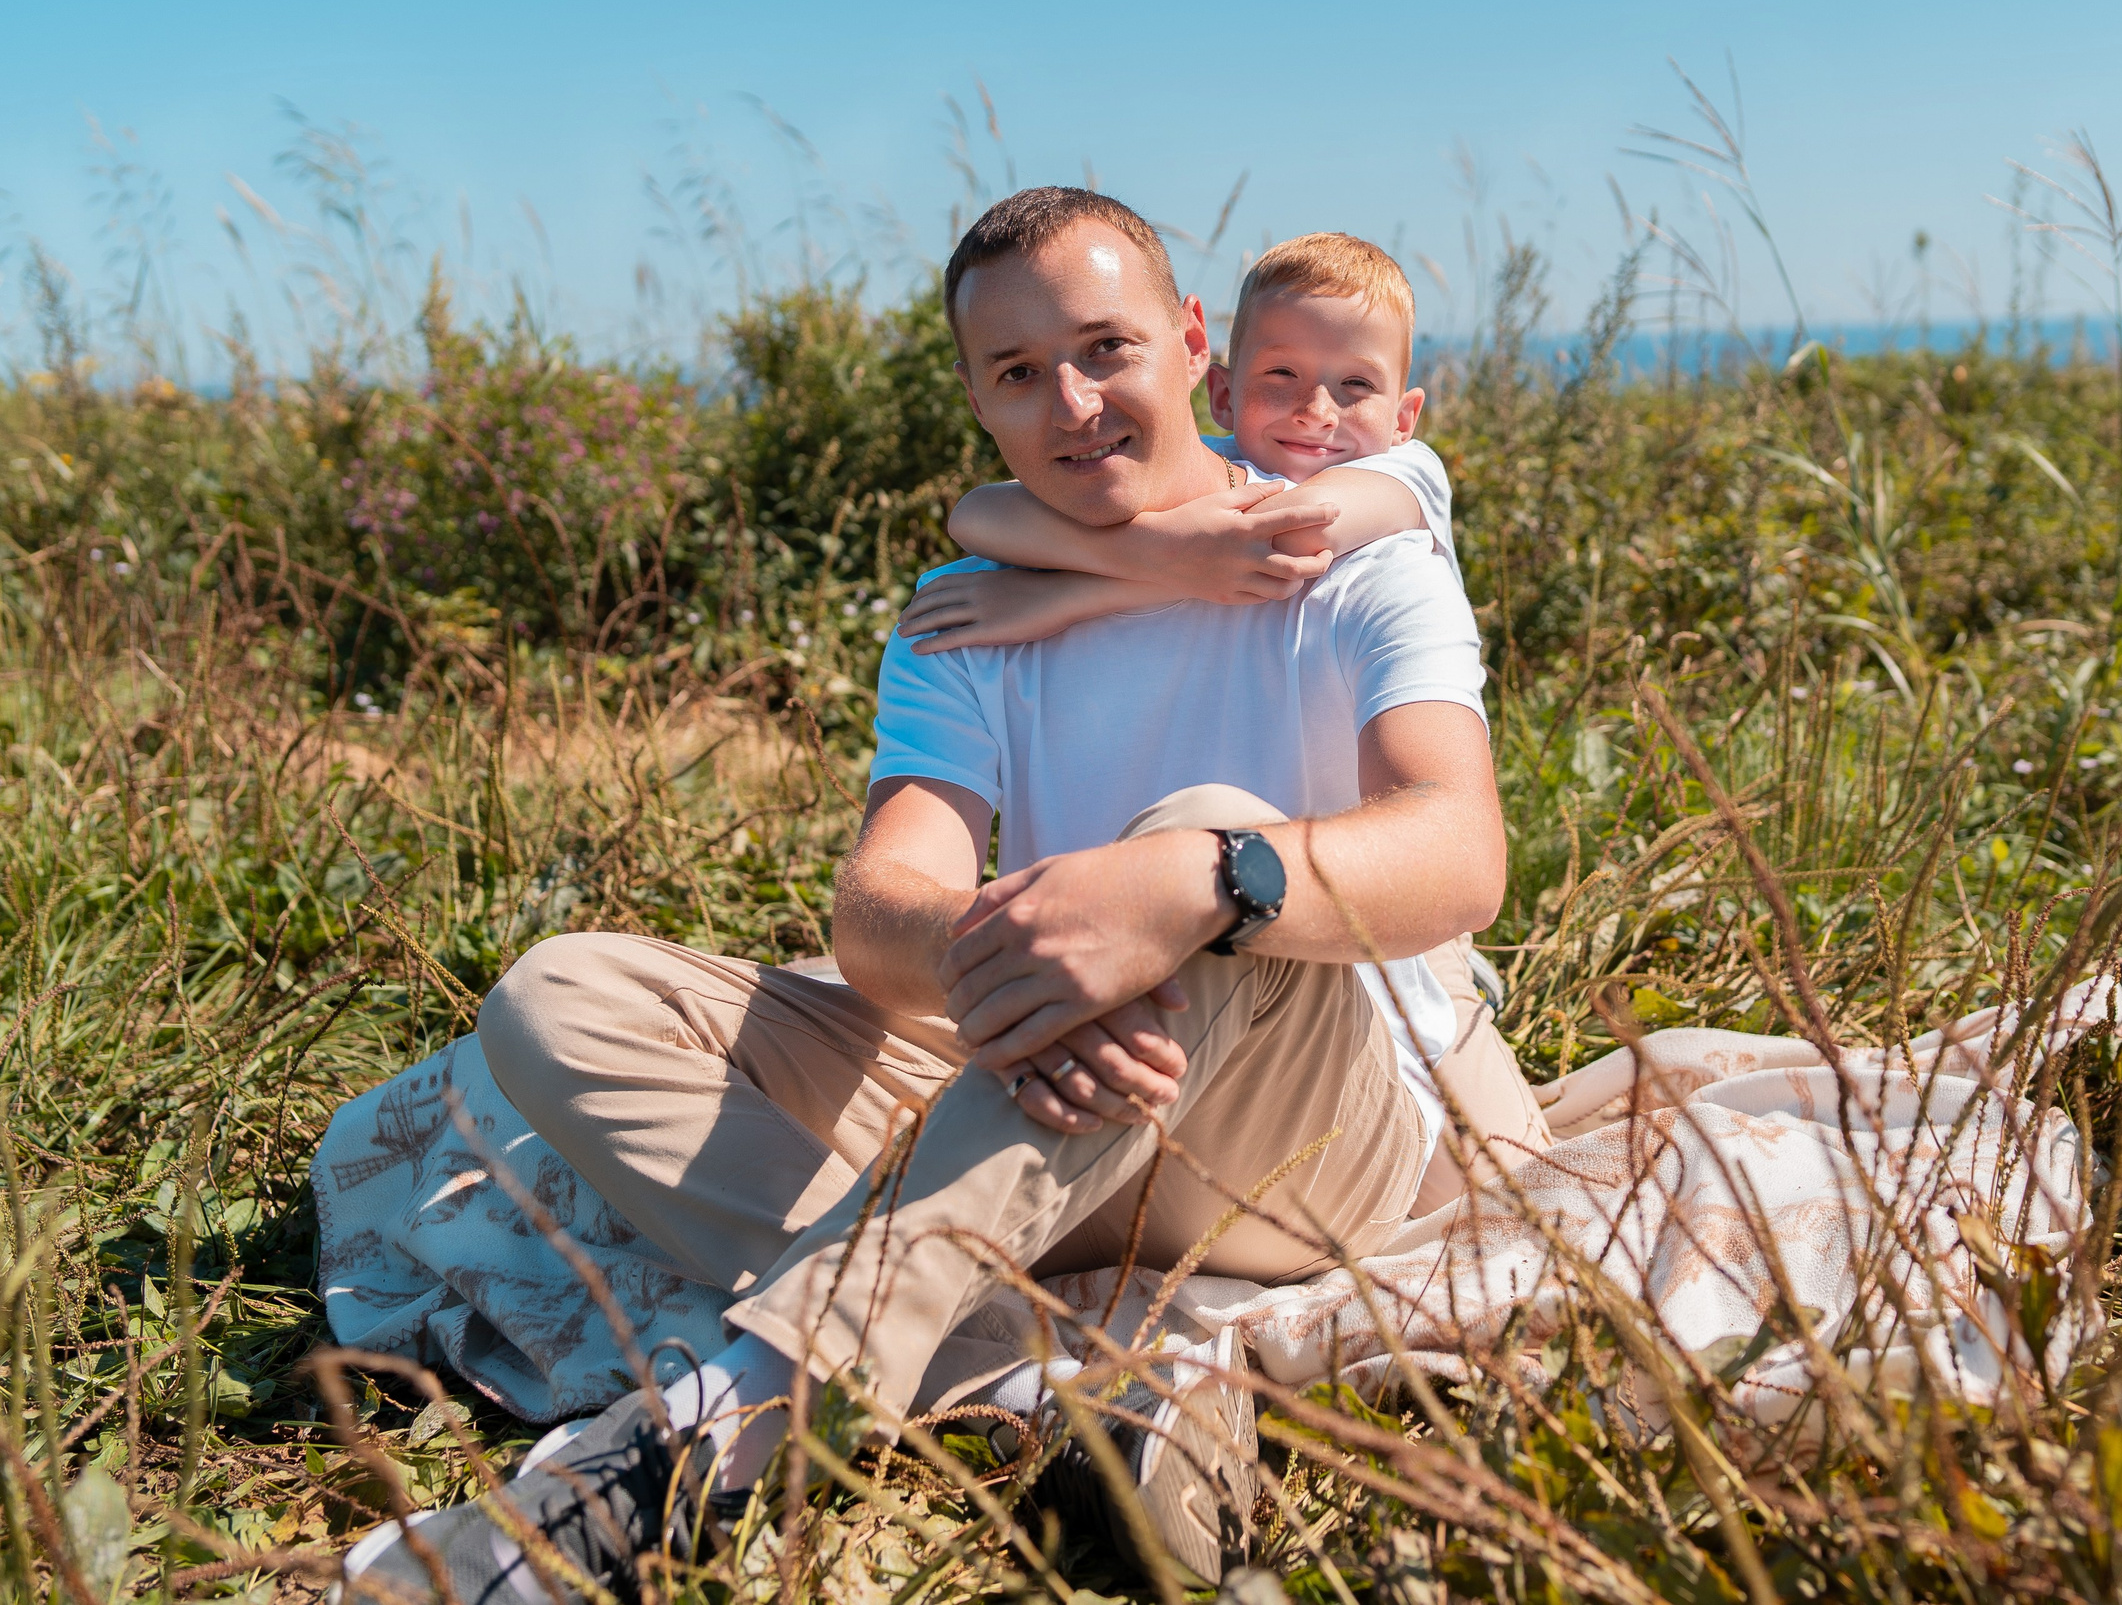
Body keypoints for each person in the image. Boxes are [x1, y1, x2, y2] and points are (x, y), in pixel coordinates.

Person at [342, 187, 1530, 1602]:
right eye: (1021, 373)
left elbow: (1460, 851)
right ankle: (1060, 1375)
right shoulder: (971, 608)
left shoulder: (1353, 548)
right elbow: (885, 906)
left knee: (1199, 838)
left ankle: (731, 1423)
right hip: (1069, 1085)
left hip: (1308, 1127)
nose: (1075, 402)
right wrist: (1017, 952)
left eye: (1105, 348)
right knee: (559, 994)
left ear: (1192, 342)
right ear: (977, 396)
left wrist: (1198, 882)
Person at [893, 230, 1458, 654]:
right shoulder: (1221, 463)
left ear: (1404, 418)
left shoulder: (1405, 473)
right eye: (1280, 375)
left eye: (1356, 384)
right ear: (1223, 394)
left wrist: (1065, 598)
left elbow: (1291, 536)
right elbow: (975, 515)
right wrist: (1163, 552)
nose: (1316, 411)